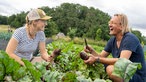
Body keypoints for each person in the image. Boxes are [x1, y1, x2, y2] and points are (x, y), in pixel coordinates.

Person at [83, 13, 146, 82]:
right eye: (109, 22)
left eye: (113, 23)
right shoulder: (113, 40)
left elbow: (122, 62)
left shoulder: (130, 39)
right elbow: (101, 56)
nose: (110, 25)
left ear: (122, 26)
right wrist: (92, 51)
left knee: (111, 69)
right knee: (106, 67)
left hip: (137, 76)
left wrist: (96, 59)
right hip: (125, 73)